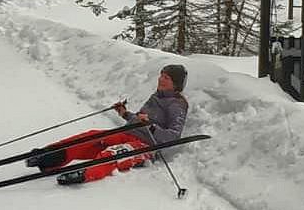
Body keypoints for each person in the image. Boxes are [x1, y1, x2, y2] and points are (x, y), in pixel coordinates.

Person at [29, 65, 190, 186]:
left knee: (110, 154)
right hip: (128, 133)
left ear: (176, 84)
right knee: (92, 136)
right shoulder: (156, 96)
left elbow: (174, 136)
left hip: (146, 147)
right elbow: (139, 119)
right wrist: (124, 113)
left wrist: (151, 126)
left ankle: (86, 174)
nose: (161, 79)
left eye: (166, 78)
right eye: (161, 75)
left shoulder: (177, 104)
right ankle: (50, 156)